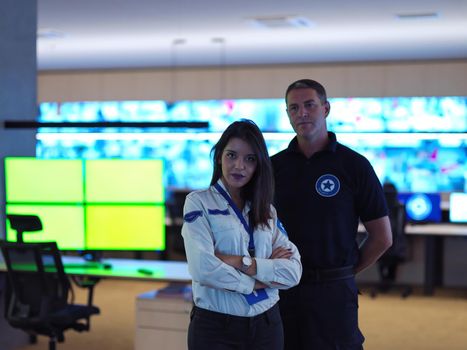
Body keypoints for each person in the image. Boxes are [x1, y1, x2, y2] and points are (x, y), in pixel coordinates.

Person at [271, 79, 393, 350]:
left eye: (309, 105)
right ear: (288, 114)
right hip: (282, 289)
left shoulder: (355, 165)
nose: (302, 113)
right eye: (294, 108)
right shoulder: (273, 167)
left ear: (325, 109)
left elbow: (382, 237)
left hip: (334, 291)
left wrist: (346, 272)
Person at [181, 119, 302, 350]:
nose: (239, 165)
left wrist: (240, 262)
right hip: (216, 327)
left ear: (259, 165)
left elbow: (293, 272)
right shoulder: (198, 203)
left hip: (267, 324)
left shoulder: (267, 210)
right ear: (219, 157)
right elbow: (203, 269)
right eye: (231, 155)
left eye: (250, 159)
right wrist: (259, 281)